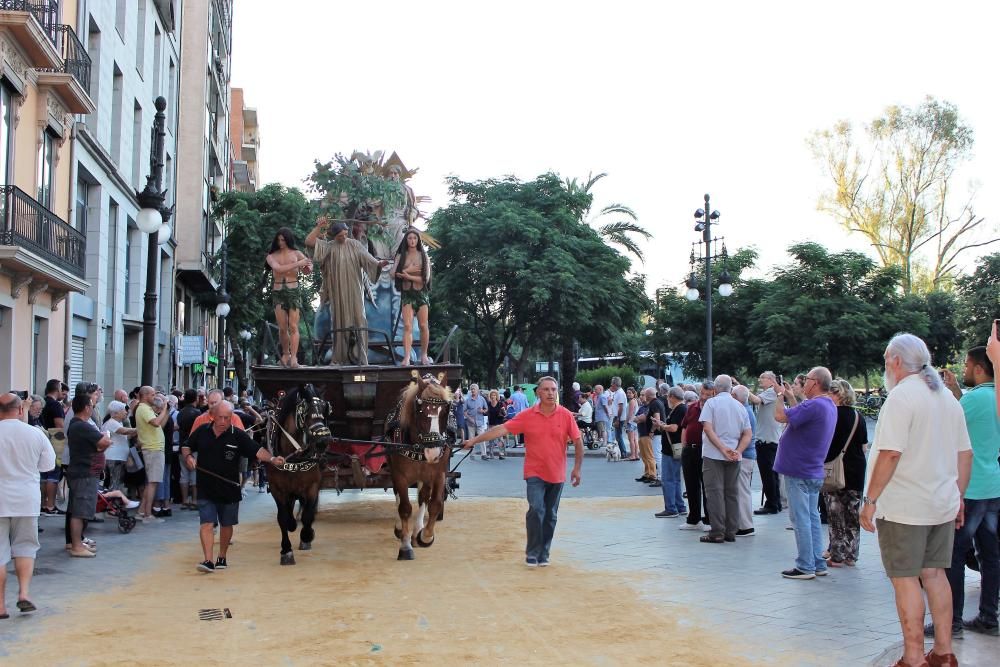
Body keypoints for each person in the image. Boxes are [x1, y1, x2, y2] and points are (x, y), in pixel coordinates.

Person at [859, 334, 972, 667]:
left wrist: (870, 500)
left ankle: (912, 657)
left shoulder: (902, 397)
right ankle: (943, 652)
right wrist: (959, 497)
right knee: (935, 575)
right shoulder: (946, 398)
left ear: (895, 361)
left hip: (905, 507)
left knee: (905, 579)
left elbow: (891, 453)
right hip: (940, 503)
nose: (885, 366)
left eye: (885, 360)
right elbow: (964, 454)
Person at [463, 377, 582, 567]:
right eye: (546, 389)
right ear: (538, 393)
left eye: (553, 389)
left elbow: (578, 441)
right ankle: (533, 552)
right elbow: (502, 429)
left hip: (557, 473)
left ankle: (544, 551)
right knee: (536, 509)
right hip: (534, 472)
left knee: (550, 515)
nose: (551, 393)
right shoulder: (527, 416)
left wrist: (576, 468)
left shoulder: (565, 415)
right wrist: (474, 441)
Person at [937, 346, 1000, 637]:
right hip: (993, 486)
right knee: (990, 554)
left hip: (970, 488)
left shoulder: (973, 400)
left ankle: (952, 621)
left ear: (978, 368)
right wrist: (956, 391)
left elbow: (948, 426)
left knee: (955, 555)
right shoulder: (994, 398)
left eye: (966, 366)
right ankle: (989, 616)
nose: (963, 371)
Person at [182, 401, 284, 573]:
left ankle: (222, 555)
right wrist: (189, 458)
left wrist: (273, 459)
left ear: (232, 418)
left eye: (227, 418)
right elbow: (186, 446)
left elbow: (257, 451)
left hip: (229, 488)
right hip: (206, 487)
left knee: (226, 524)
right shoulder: (202, 432)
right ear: (212, 416)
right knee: (207, 523)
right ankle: (208, 560)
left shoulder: (238, 435)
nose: (223, 421)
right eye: (220, 417)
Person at [773, 367, 837, 579]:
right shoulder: (826, 405)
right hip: (812, 470)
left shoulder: (813, 405)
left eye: (807, 379)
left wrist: (780, 396)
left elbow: (780, 416)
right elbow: (798, 419)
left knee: (800, 519)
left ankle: (805, 565)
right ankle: (816, 562)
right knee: (811, 518)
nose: (804, 382)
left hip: (798, 470)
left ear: (815, 382)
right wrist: (792, 397)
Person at [305, 218, 390, 365]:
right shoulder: (329, 247)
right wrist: (319, 227)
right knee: (338, 322)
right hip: (337, 291)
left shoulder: (355, 245)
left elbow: (368, 259)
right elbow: (309, 242)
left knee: (360, 320)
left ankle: (362, 358)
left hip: (355, 289)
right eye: (340, 236)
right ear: (334, 236)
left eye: (345, 234)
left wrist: (378, 264)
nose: (343, 237)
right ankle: (339, 357)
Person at [0, 393, 56, 617]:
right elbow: (47, 465)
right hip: (26, 498)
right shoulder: (35, 434)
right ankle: (23, 593)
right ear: (20, 410)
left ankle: (0, 605)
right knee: (25, 547)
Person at [698, 375, 752, 544]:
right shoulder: (740, 406)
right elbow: (747, 433)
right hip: (734, 456)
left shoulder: (711, 403)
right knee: (732, 493)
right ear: (730, 388)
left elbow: (707, 428)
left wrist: (722, 448)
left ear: (715, 389)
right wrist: (737, 451)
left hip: (713, 454)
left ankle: (717, 531)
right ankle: (731, 530)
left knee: (715, 492)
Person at [822, 379, 868, 567]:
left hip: (835, 469)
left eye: (830, 393)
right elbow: (864, 445)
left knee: (835, 514)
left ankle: (837, 555)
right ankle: (851, 555)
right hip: (856, 469)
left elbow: (825, 443)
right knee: (852, 515)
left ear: (837, 394)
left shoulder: (831, 415)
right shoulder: (859, 416)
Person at [66, 393, 111, 557]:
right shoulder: (82, 426)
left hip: (85, 472)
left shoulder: (78, 425)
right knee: (80, 511)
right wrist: (106, 440)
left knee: (81, 510)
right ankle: (76, 545)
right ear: (86, 408)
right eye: (92, 405)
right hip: (84, 473)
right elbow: (103, 442)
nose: (93, 408)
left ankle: (77, 543)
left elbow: (100, 446)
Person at [265, 228, 313, 367]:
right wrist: (299, 263)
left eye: (283, 240)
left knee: (293, 325)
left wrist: (308, 267)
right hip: (278, 292)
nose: (281, 242)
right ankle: (285, 354)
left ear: (288, 240)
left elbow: (307, 270)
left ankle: (294, 357)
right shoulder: (271, 256)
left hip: (293, 291)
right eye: (279, 240)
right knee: (282, 327)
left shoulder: (297, 253)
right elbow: (278, 269)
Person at [393, 227, 432, 366]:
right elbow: (393, 273)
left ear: (418, 240)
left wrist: (406, 276)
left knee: (423, 325)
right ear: (406, 240)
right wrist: (410, 270)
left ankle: (424, 355)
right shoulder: (400, 256)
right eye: (409, 238)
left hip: (421, 294)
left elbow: (425, 279)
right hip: (407, 294)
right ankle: (407, 357)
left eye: (415, 238)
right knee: (407, 325)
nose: (412, 241)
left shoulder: (423, 255)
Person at [679, 383, 712, 531]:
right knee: (691, 485)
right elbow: (685, 426)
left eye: (708, 394)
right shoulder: (692, 407)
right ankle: (693, 519)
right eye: (702, 393)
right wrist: (684, 445)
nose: (704, 397)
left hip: (705, 451)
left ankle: (709, 520)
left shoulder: (714, 409)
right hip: (690, 450)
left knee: (707, 486)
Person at [750, 371, 784, 515]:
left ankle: (772, 503)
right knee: (771, 474)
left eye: (762, 378)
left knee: (768, 474)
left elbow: (756, 400)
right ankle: (775, 502)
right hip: (769, 439)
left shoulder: (771, 392)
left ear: (771, 380)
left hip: (767, 440)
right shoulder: (771, 392)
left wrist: (743, 390)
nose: (760, 380)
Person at [135, 386, 170, 523]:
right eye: (153, 394)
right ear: (146, 395)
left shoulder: (146, 409)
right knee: (152, 483)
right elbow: (156, 423)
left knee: (152, 482)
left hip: (154, 448)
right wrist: (165, 407)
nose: (155, 397)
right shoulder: (143, 408)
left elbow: (160, 425)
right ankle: (148, 514)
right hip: (153, 448)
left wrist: (165, 411)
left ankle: (141, 511)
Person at [652, 387, 685, 515]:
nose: (667, 399)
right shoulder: (681, 409)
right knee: (676, 479)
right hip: (675, 448)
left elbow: (674, 428)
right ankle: (679, 506)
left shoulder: (679, 409)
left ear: (671, 396)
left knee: (668, 479)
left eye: (667, 397)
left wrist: (661, 425)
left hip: (671, 449)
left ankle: (671, 508)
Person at [732, 384, 757, 537]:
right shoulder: (746, 411)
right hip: (747, 455)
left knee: (742, 491)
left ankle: (746, 526)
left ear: (736, 397)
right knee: (741, 490)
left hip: (745, 456)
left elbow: (743, 436)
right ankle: (742, 523)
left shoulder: (744, 412)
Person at [39, 379, 66, 516]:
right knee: (53, 475)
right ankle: (50, 505)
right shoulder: (55, 405)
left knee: (44, 475)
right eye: (61, 388)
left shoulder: (43, 403)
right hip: (55, 441)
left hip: (43, 440)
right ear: (57, 389)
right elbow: (60, 425)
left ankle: (43, 504)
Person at [103, 401, 136, 493]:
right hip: (114, 458)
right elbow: (124, 431)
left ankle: (114, 503)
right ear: (116, 413)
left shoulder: (117, 423)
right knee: (115, 483)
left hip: (118, 457)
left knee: (117, 482)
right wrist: (140, 429)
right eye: (123, 410)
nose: (126, 412)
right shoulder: (112, 423)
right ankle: (112, 504)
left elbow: (125, 436)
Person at [634, 388, 658, 484]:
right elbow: (636, 418)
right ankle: (647, 473)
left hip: (646, 433)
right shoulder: (642, 407)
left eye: (643, 395)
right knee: (644, 456)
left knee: (649, 455)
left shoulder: (649, 407)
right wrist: (638, 418)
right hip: (641, 433)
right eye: (640, 395)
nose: (641, 397)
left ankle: (652, 474)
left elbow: (643, 418)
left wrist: (638, 418)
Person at [464, 384, 489, 460]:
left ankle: (484, 454)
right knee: (471, 439)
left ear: (477, 390)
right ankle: (472, 454)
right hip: (470, 423)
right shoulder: (467, 400)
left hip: (480, 422)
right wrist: (469, 418)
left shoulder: (482, 399)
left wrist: (483, 411)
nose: (472, 390)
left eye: (474, 389)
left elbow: (486, 409)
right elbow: (464, 411)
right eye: (471, 389)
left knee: (482, 438)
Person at [608, 377, 629, 459]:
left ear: (614, 384)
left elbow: (620, 407)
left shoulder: (620, 393)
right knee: (618, 436)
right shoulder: (617, 393)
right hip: (617, 416)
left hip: (619, 417)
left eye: (612, 383)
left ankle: (623, 453)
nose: (611, 385)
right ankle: (622, 452)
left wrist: (617, 419)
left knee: (618, 436)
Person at [625, 387, 640, 461]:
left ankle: (633, 455)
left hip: (630, 422)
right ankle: (636, 455)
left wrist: (626, 422)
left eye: (630, 393)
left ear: (634, 394)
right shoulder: (635, 400)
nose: (628, 394)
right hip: (635, 422)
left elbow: (630, 414)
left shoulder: (631, 402)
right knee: (635, 439)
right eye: (627, 393)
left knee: (631, 440)